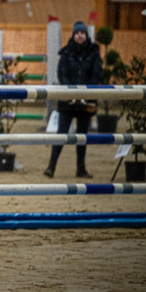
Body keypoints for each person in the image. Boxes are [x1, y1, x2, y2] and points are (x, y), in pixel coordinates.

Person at [43, 20, 103, 179]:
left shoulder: (94, 52)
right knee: (61, 134)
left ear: (86, 35)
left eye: (82, 33)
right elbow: (61, 74)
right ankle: (51, 166)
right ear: (73, 35)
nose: (80, 35)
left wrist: (84, 92)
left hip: (87, 100)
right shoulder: (66, 52)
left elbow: (96, 74)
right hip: (67, 101)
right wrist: (72, 91)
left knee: (82, 136)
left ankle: (81, 168)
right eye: (77, 33)